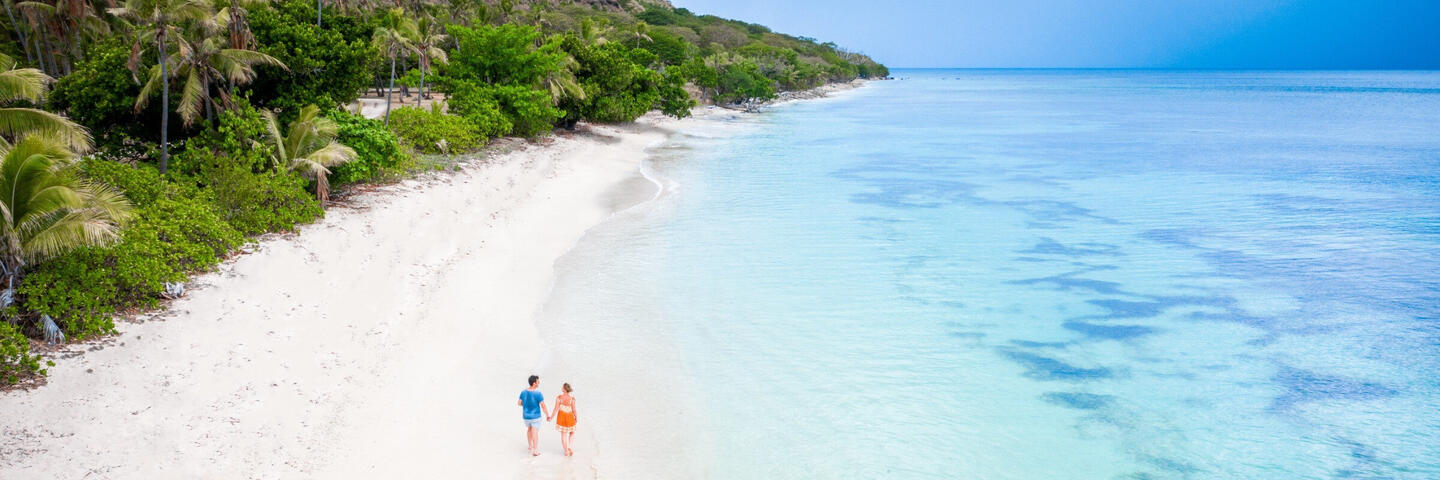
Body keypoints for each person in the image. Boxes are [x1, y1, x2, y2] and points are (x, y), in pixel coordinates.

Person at [518, 375, 548, 456]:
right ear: (534, 383)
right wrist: (547, 415)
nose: (539, 383)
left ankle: (530, 446)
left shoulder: (523, 392)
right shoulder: (538, 393)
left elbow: (519, 403)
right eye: (538, 382)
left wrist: (527, 405)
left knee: (529, 429)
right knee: (535, 432)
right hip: (535, 416)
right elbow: (543, 406)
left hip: (526, 416)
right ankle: (535, 450)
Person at [548, 383, 579, 456]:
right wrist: (576, 417)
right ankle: (569, 447)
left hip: (561, 417)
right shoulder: (572, 399)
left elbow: (555, 409)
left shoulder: (559, 398)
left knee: (563, 435)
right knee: (572, 432)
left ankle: (566, 451)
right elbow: (574, 410)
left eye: (562, 387)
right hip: (570, 416)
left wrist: (551, 417)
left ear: (564, 389)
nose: (561, 388)